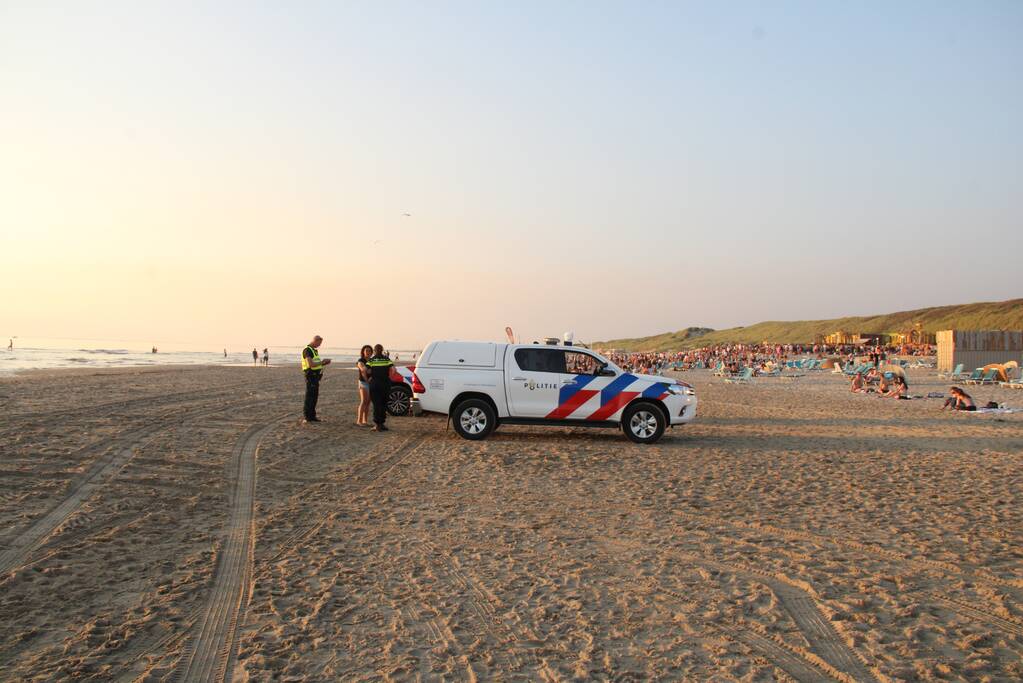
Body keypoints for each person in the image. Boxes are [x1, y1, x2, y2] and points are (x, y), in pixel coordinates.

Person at [301, 335, 331, 423]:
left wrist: (324, 363)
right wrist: (322, 362)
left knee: (314, 396)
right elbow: (310, 364)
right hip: (310, 376)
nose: (319, 345)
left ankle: (312, 416)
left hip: (315, 376)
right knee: (310, 396)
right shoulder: (307, 350)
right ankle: (307, 417)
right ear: (315, 341)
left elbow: (316, 363)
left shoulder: (314, 350)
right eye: (319, 343)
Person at [366, 343, 393, 432]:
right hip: (385, 383)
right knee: (384, 403)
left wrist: (368, 378)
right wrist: (390, 377)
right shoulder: (386, 359)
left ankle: (377, 425)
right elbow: (394, 369)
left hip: (375, 384)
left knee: (377, 404)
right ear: (382, 350)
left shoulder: (371, 360)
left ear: (374, 351)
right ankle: (382, 424)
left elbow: (367, 370)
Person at [355, 344, 373, 427]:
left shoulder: (372, 360)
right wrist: (367, 376)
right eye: (366, 351)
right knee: (363, 401)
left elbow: (373, 371)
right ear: (363, 352)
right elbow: (363, 370)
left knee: (368, 402)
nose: (368, 352)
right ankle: (359, 421)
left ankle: (365, 420)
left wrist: (370, 373)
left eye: (369, 351)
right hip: (363, 382)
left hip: (371, 382)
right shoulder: (360, 360)